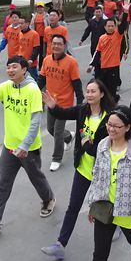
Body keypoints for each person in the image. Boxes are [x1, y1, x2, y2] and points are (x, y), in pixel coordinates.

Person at [0, 57, 56, 238]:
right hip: (9, 147)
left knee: (36, 178)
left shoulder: (32, 90)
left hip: (29, 149)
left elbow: (35, 121)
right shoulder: (6, 86)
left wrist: (25, 145)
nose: (10, 70)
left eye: (14, 67)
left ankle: (48, 198)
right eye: (8, 67)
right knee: (3, 185)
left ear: (24, 69)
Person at [40, 79, 115, 260]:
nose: (89, 94)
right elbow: (63, 113)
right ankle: (60, 244)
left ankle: (117, 225)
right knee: (73, 207)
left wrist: (86, 143)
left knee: (106, 206)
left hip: (102, 173)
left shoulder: (109, 119)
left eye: (93, 91)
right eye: (87, 91)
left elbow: (99, 149)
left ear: (102, 94)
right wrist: (53, 106)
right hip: (82, 169)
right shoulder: (82, 110)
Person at [85, 106, 131, 261]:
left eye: (116, 126)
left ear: (127, 127)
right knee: (99, 255)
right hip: (104, 208)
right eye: (109, 124)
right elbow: (96, 175)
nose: (111, 129)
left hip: (127, 213)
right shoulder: (102, 145)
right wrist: (92, 203)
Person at [39, 34, 83, 171]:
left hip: (64, 104)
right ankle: (68, 136)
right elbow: (41, 79)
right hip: (50, 102)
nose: (56, 46)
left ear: (64, 46)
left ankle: (56, 158)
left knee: (57, 132)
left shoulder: (71, 62)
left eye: (59, 44)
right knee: (50, 129)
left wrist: (80, 102)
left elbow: (77, 84)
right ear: (51, 45)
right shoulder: (46, 60)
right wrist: (33, 92)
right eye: (54, 43)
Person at [86, 2, 130, 101]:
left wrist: (125, 12)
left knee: (111, 91)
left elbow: (123, 25)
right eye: (108, 26)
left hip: (113, 67)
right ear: (105, 27)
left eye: (112, 26)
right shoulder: (102, 38)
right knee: (101, 90)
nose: (110, 28)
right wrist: (91, 65)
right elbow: (97, 52)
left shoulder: (118, 35)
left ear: (115, 26)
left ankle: (113, 105)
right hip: (103, 67)